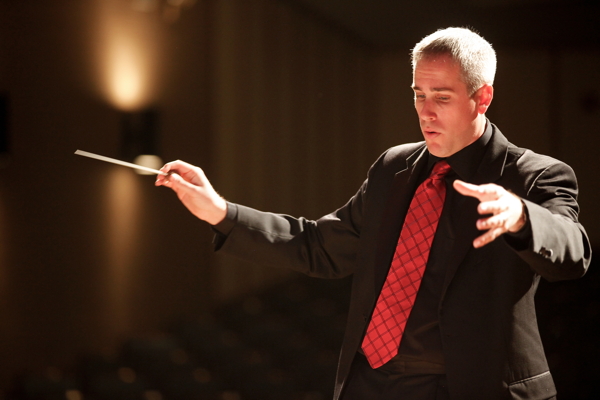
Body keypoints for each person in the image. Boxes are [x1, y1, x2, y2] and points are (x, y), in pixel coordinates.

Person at [155, 27, 591, 400]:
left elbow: (574, 254)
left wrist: (521, 217)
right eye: (418, 94)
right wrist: (221, 212)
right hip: (372, 384)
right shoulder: (393, 169)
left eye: (441, 97)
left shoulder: (535, 175)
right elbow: (319, 247)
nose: (425, 112)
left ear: (483, 98)